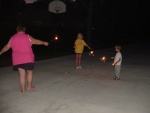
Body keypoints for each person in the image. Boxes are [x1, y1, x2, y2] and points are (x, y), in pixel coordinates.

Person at [0, 25, 49, 93]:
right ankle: (29, 87)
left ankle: (23, 89)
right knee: (29, 73)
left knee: (22, 75)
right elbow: (36, 41)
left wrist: (1, 52)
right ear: (24, 30)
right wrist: (44, 42)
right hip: (28, 58)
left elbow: (6, 47)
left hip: (18, 59)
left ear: (17, 30)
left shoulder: (12, 38)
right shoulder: (27, 36)